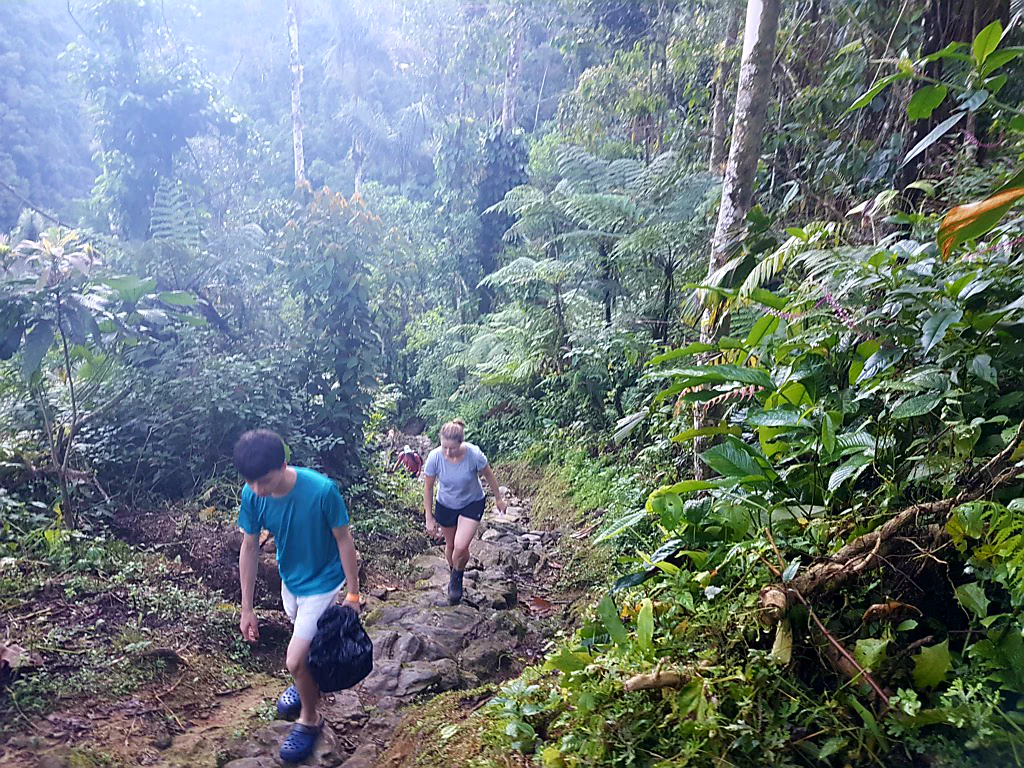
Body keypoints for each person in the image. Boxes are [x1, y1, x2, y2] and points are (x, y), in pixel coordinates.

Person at [234, 429, 361, 764]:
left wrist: (353, 592)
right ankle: (307, 679)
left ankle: (310, 719)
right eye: (251, 482)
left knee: (294, 658)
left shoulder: (321, 491)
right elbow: (248, 547)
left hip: (323, 583)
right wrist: (246, 608)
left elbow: (344, 540)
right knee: (305, 652)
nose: (259, 490)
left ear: (284, 464)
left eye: (265, 480)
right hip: (291, 581)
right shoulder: (253, 494)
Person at [423, 419, 507, 605]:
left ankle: (456, 578)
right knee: (452, 547)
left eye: (452, 448)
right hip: (446, 504)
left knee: (461, 547)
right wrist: (429, 517)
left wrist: (499, 498)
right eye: (444, 447)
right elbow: (428, 488)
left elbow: (489, 474)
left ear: (461, 443)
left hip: (472, 503)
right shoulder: (435, 458)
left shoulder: (473, 455)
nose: (447, 452)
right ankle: (455, 570)